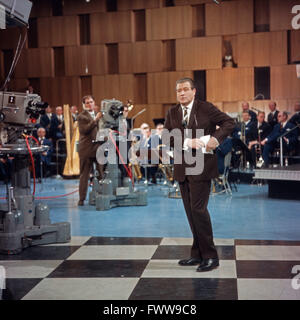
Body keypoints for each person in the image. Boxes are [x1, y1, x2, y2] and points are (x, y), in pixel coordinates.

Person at [163, 77, 235, 272]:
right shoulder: (172, 112)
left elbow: (230, 122)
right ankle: (197, 254)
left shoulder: (206, 108)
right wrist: (187, 143)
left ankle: (211, 257)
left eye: (185, 89)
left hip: (202, 166)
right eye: (179, 90)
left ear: (194, 91)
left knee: (198, 210)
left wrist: (215, 139)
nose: (182, 93)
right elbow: (167, 137)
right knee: (190, 213)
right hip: (181, 168)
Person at [77, 95, 103, 206]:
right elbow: (84, 130)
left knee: (101, 174)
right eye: (87, 102)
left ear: (94, 102)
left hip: (98, 148)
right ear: (84, 105)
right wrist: (95, 119)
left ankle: (102, 195)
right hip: (86, 149)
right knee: (84, 175)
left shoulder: (101, 115)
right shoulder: (81, 116)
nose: (89, 104)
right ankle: (81, 199)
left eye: (91, 102)